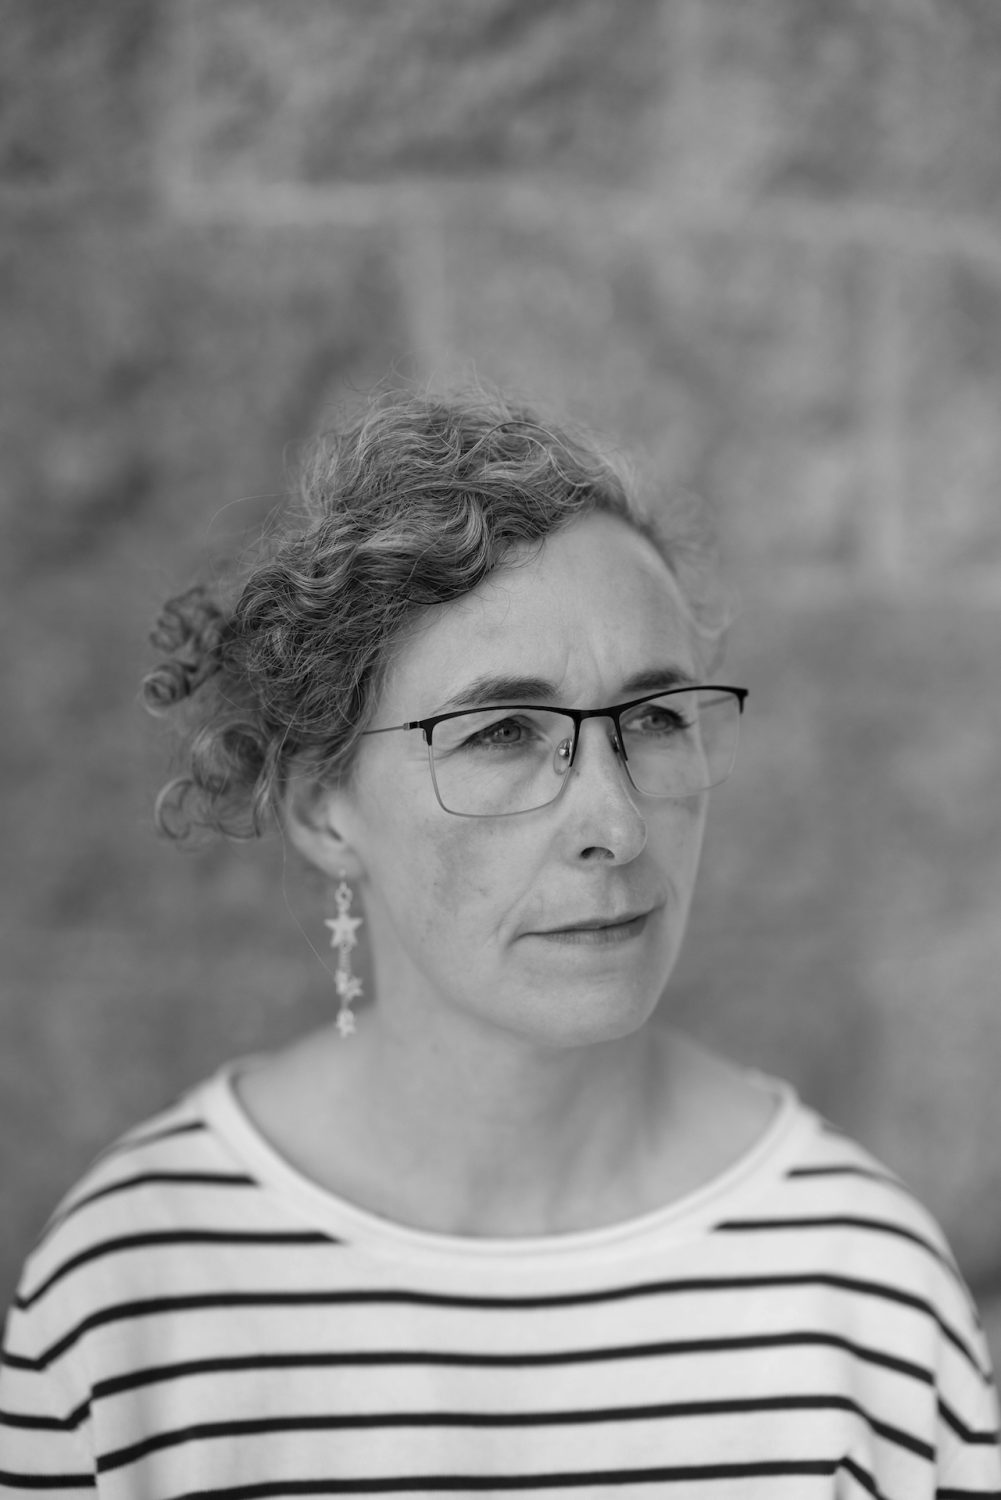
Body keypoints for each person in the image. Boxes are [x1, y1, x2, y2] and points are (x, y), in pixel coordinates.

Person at [1, 390, 998, 1498]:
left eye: (653, 718)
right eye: (504, 732)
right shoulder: (135, 1296)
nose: (616, 826)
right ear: (324, 809)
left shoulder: (861, 1292)